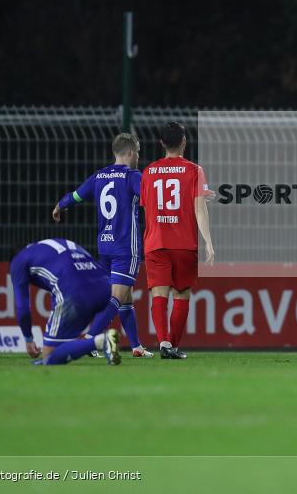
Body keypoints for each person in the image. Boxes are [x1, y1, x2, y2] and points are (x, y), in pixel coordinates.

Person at [52, 133, 153, 358]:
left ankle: (136, 346)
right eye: (137, 152)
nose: (138, 156)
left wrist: (60, 205)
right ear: (129, 153)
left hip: (104, 246)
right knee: (117, 297)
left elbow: (76, 196)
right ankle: (88, 340)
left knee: (125, 298)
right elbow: (152, 198)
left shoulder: (99, 176)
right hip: (126, 247)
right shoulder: (133, 176)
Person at [140, 121, 216, 359]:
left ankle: (163, 343)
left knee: (159, 294)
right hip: (184, 243)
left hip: (156, 242)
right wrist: (209, 242)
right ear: (184, 142)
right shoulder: (194, 170)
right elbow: (199, 210)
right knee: (181, 296)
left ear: (162, 143)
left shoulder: (149, 172)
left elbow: (148, 208)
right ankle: (171, 346)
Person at [10, 238, 121, 365]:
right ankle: (97, 341)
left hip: (75, 293)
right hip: (105, 288)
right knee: (62, 343)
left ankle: (102, 341)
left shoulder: (18, 260)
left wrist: (28, 338)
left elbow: (22, 308)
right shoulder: (52, 244)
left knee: (49, 355)